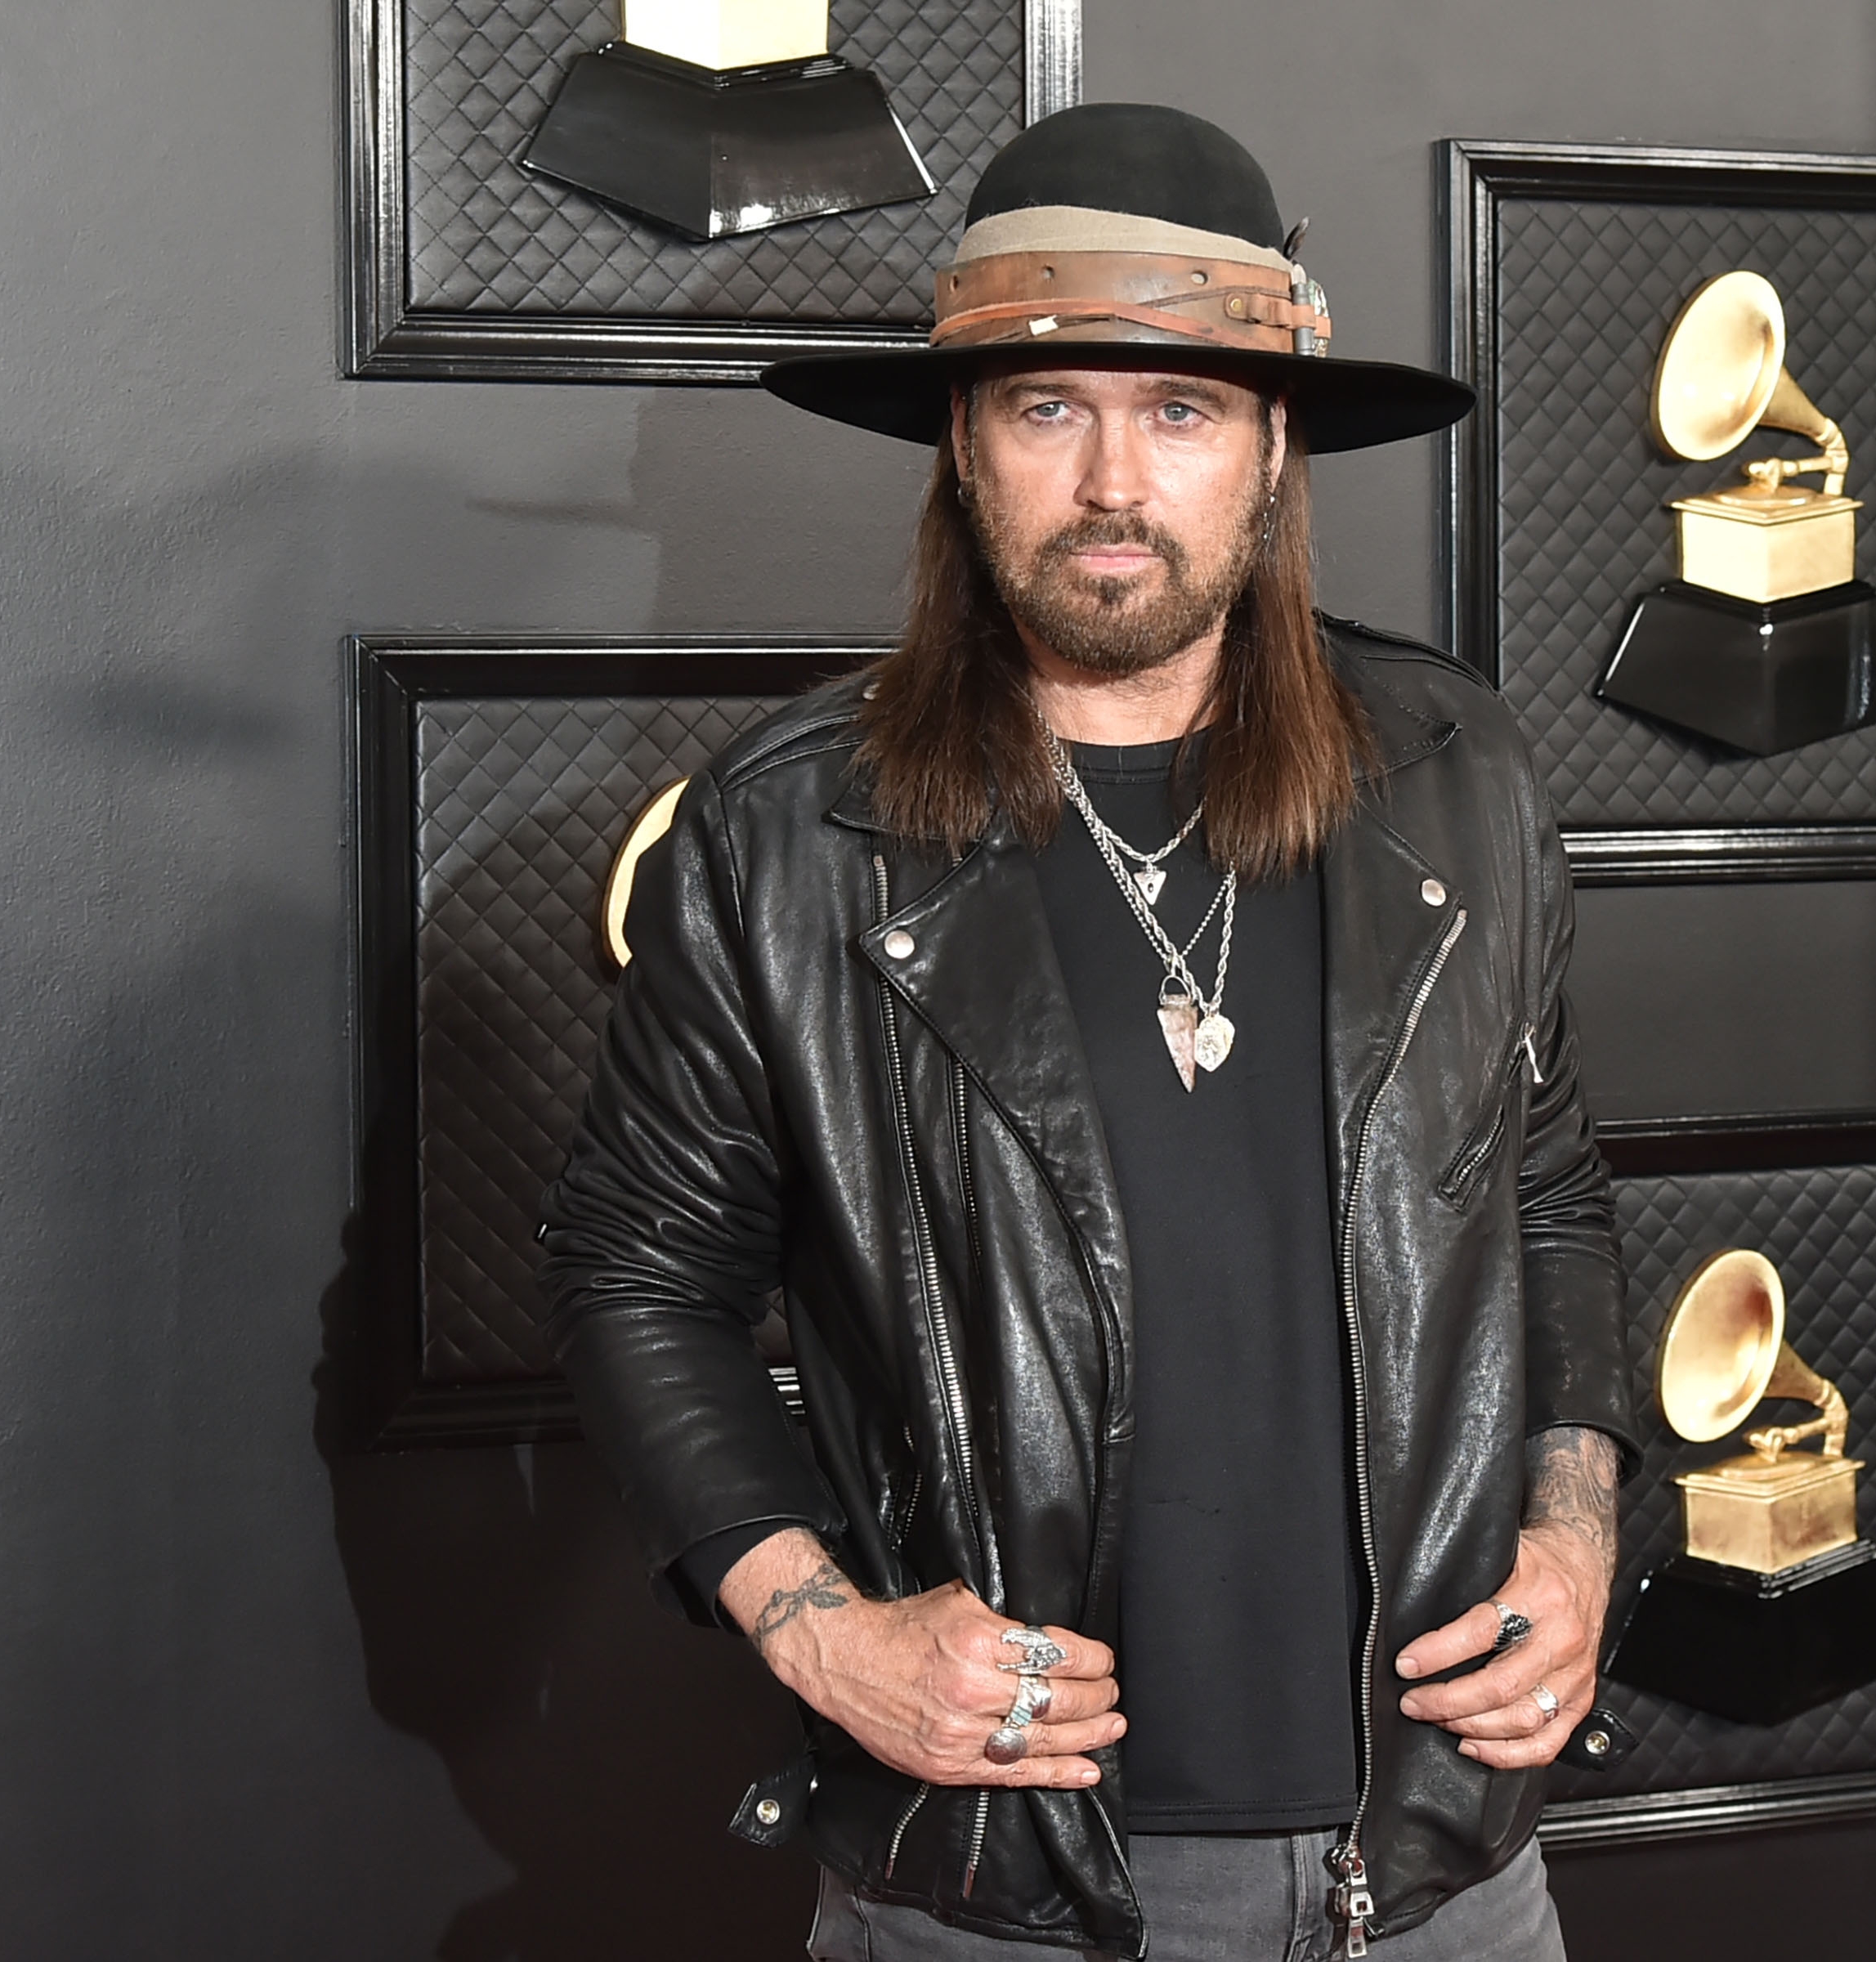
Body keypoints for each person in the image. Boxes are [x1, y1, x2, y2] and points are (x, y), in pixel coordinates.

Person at [540, 101, 1635, 1961]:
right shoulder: (789, 834)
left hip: (1448, 1863)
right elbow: (633, 1273)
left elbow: (1547, 1193)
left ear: (1274, 451)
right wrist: (824, 1632)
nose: (1114, 479)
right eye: (1049, 409)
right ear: (964, 448)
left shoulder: (1460, 779)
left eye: (1183, 410)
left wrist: (1584, 1521)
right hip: (1001, 1886)